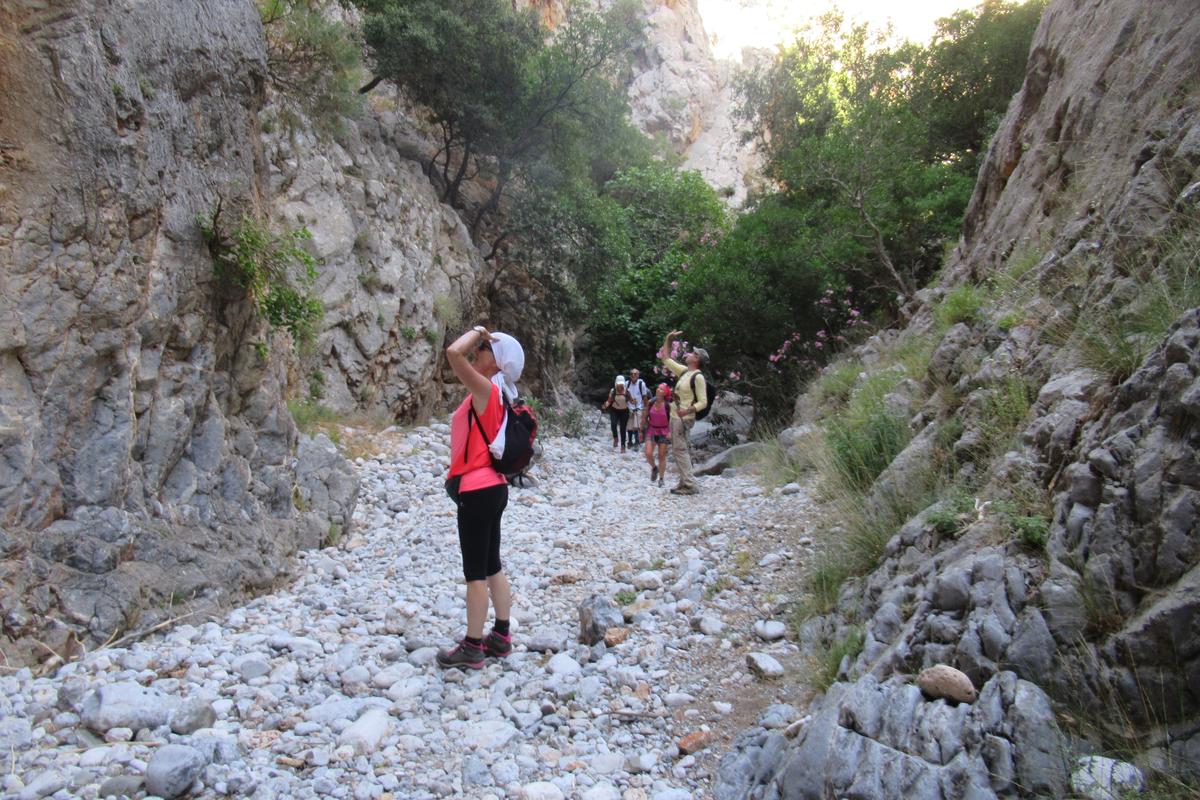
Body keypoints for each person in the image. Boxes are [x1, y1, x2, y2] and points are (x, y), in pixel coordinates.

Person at [437, 324, 523, 670]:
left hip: (477, 488)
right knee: (492, 565)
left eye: (486, 348)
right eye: (482, 345)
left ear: (497, 363)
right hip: (494, 487)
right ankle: (500, 637)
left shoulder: (486, 388)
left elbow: (453, 354)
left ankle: (472, 647)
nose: (479, 350)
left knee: (475, 573)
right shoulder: (499, 393)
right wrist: (484, 340)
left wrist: (477, 331)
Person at [658, 330, 708, 495]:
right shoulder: (685, 372)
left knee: (680, 450)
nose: (689, 354)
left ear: (697, 360)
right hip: (675, 416)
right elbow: (665, 358)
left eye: (693, 353)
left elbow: (703, 402)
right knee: (679, 449)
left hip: (684, 417)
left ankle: (689, 484)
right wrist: (668, 338)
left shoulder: (698, 377)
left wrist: (688, 409)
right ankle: (683, 482)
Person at [642, 383, 672, 487]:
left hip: (664, 431)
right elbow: (645, 416)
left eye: (662, 389)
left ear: (665, 393)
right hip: (652, 430)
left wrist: (671, 432)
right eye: (658, 388)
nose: (659, 390)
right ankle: (655, 468)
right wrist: (641, 430)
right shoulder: (650, 402)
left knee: (661, 456)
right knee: (648, 453)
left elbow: (673, 420)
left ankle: (661, 479)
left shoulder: (668, 405)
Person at [602, 375, 633, 453]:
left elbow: (631, 401)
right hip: (614, 410)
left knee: (623, 428)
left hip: (624, 411)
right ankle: (615, 438)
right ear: (616, 383)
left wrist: (634, 402)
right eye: (619, 384)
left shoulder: (626, 391)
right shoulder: (613, 391)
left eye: (621, 384)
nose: (620, 385)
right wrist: (605, 405)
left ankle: (623, 446)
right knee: (613, 424)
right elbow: (609, 401)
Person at [625, 368, 649, 446]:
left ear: (638, 375)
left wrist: (645, 408)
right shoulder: (627, 383)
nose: (633, 375)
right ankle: (630, 442)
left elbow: (644, 396)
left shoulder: (641, 384)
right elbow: (626, 394)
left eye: (635, 374)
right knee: (629, 426)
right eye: (632, 374)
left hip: (639, 407)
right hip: (629, 407)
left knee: (636, 426)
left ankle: (637, 442)